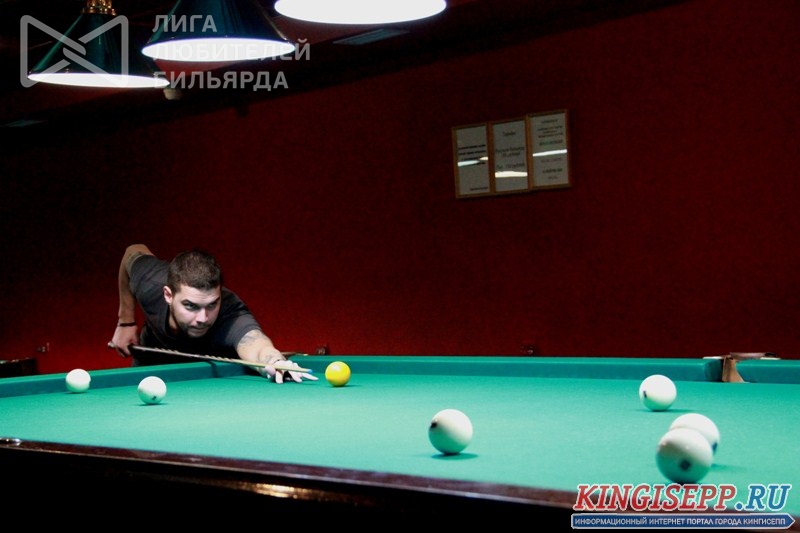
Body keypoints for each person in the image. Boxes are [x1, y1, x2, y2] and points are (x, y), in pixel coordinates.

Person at [109, 244, 315, 384]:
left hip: (212, 380)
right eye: (190, 306)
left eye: (211, 305)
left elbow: (256, 343)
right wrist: (125, 321)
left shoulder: (230, 313)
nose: (203, 318)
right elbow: (132, 252)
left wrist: (274, 362)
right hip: (152, 360)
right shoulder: (150, 283)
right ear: (168, 295)